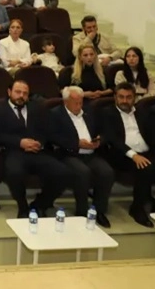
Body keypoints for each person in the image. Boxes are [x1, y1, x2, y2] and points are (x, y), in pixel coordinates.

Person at [0, 80, 71, 218]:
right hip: (13, 151)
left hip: (37, 152)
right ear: (9, 92)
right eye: (18, 92)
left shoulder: (37, 108)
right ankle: (23, 206)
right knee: (14, 172)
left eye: (25, 93)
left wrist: (39, 143)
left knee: (62, 172)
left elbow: (47, 130)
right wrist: (20, 142)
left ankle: (40, 204)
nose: (21, 96)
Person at [102, 83, 155, 226]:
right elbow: (113, 139)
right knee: (146, 168)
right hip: (122, 155)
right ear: (115, 97)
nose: (124, 100)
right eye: (121, 97)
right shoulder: (107, 113)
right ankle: (137, 208)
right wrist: (134, 155)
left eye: (128, 97)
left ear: (134, 98)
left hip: (146, 152)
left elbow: (154, 134)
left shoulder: (143, 112)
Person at [50, 86, 115, 227]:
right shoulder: (55, 114)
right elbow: (53, 137)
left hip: (91, 154)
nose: (79, 106)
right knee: (83, 172)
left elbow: (104, 131)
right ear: (66, 101)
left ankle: (99, 210)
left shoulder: (89, 111)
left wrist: (99, 140)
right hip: (69, 154)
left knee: (107, 172)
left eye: (81, 102)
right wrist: (77, 143)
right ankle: (82, 211)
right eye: (75, 102)